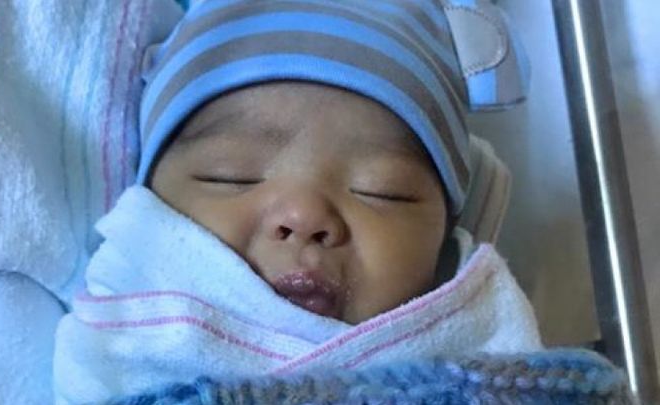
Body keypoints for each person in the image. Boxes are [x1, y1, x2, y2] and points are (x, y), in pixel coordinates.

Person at [54, 1, 631, 403]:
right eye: (230, 176)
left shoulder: (498, 368)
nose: (305, 217)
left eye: (380, 191)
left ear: (447, 236)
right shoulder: (123, 350)